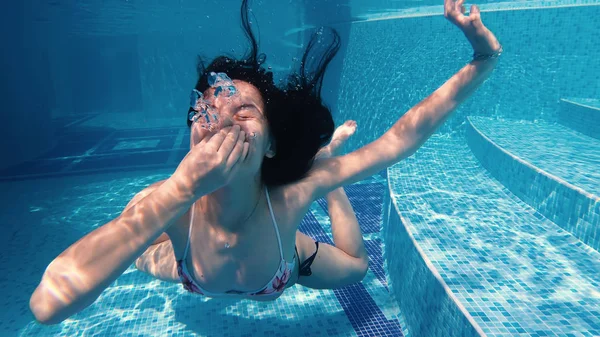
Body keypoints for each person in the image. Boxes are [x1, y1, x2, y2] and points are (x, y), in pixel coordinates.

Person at [29, 0, 502, 325]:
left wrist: (482, 57)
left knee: (357, 268)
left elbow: (399, 141)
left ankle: (324, 163)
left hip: (284, 269)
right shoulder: (167, 203)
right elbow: (48, 304)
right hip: (189, 273)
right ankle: (321, 166)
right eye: (208, 111)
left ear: (270, 145)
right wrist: (179, 190)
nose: (222, 122)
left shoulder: (288, 199)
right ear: (193, 133)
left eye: (244, 111)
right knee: (135, 253)